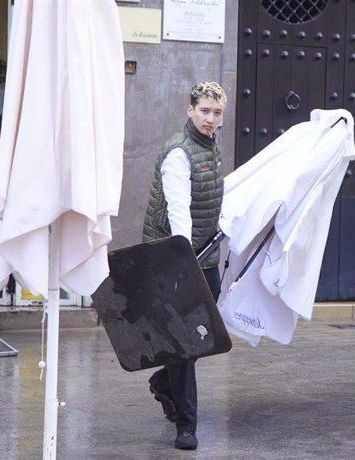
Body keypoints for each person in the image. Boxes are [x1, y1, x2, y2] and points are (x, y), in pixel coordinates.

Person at [141, 81, 227, 450]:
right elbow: (179, 212)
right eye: (204, 111)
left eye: (217, 113)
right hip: (175, 257)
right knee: (183, 343)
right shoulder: (179, 153)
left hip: (202, 254)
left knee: (205, 330)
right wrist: (184, 262)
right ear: (189, 109)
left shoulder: (210, 147)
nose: (210, 119)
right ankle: (185, 425)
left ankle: (164, 382)